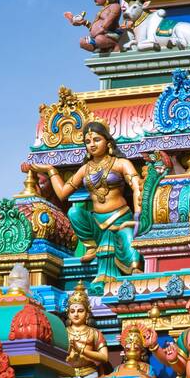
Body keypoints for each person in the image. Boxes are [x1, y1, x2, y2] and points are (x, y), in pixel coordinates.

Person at [27, 121, 141, 287]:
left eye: (96, 140)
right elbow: (62, 193)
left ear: (108, 142)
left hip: (120, 218)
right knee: (74, 212)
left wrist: (138, 215)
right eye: (88, 142)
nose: (92, 145)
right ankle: (91, 246)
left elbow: (137, 187)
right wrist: (51, 170)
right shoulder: (85, 169)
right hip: (97, 222)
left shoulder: (121, 163)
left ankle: (135, 270)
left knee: (128, 238)